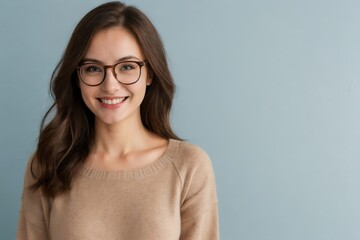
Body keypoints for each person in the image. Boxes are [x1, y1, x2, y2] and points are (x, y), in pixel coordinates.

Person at [17, 1, 219, 239]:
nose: (110, 86)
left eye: (126, 67)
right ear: (77, 76)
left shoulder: (189, 166)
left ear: (150, 73)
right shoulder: (47, 164)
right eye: (93, 68)